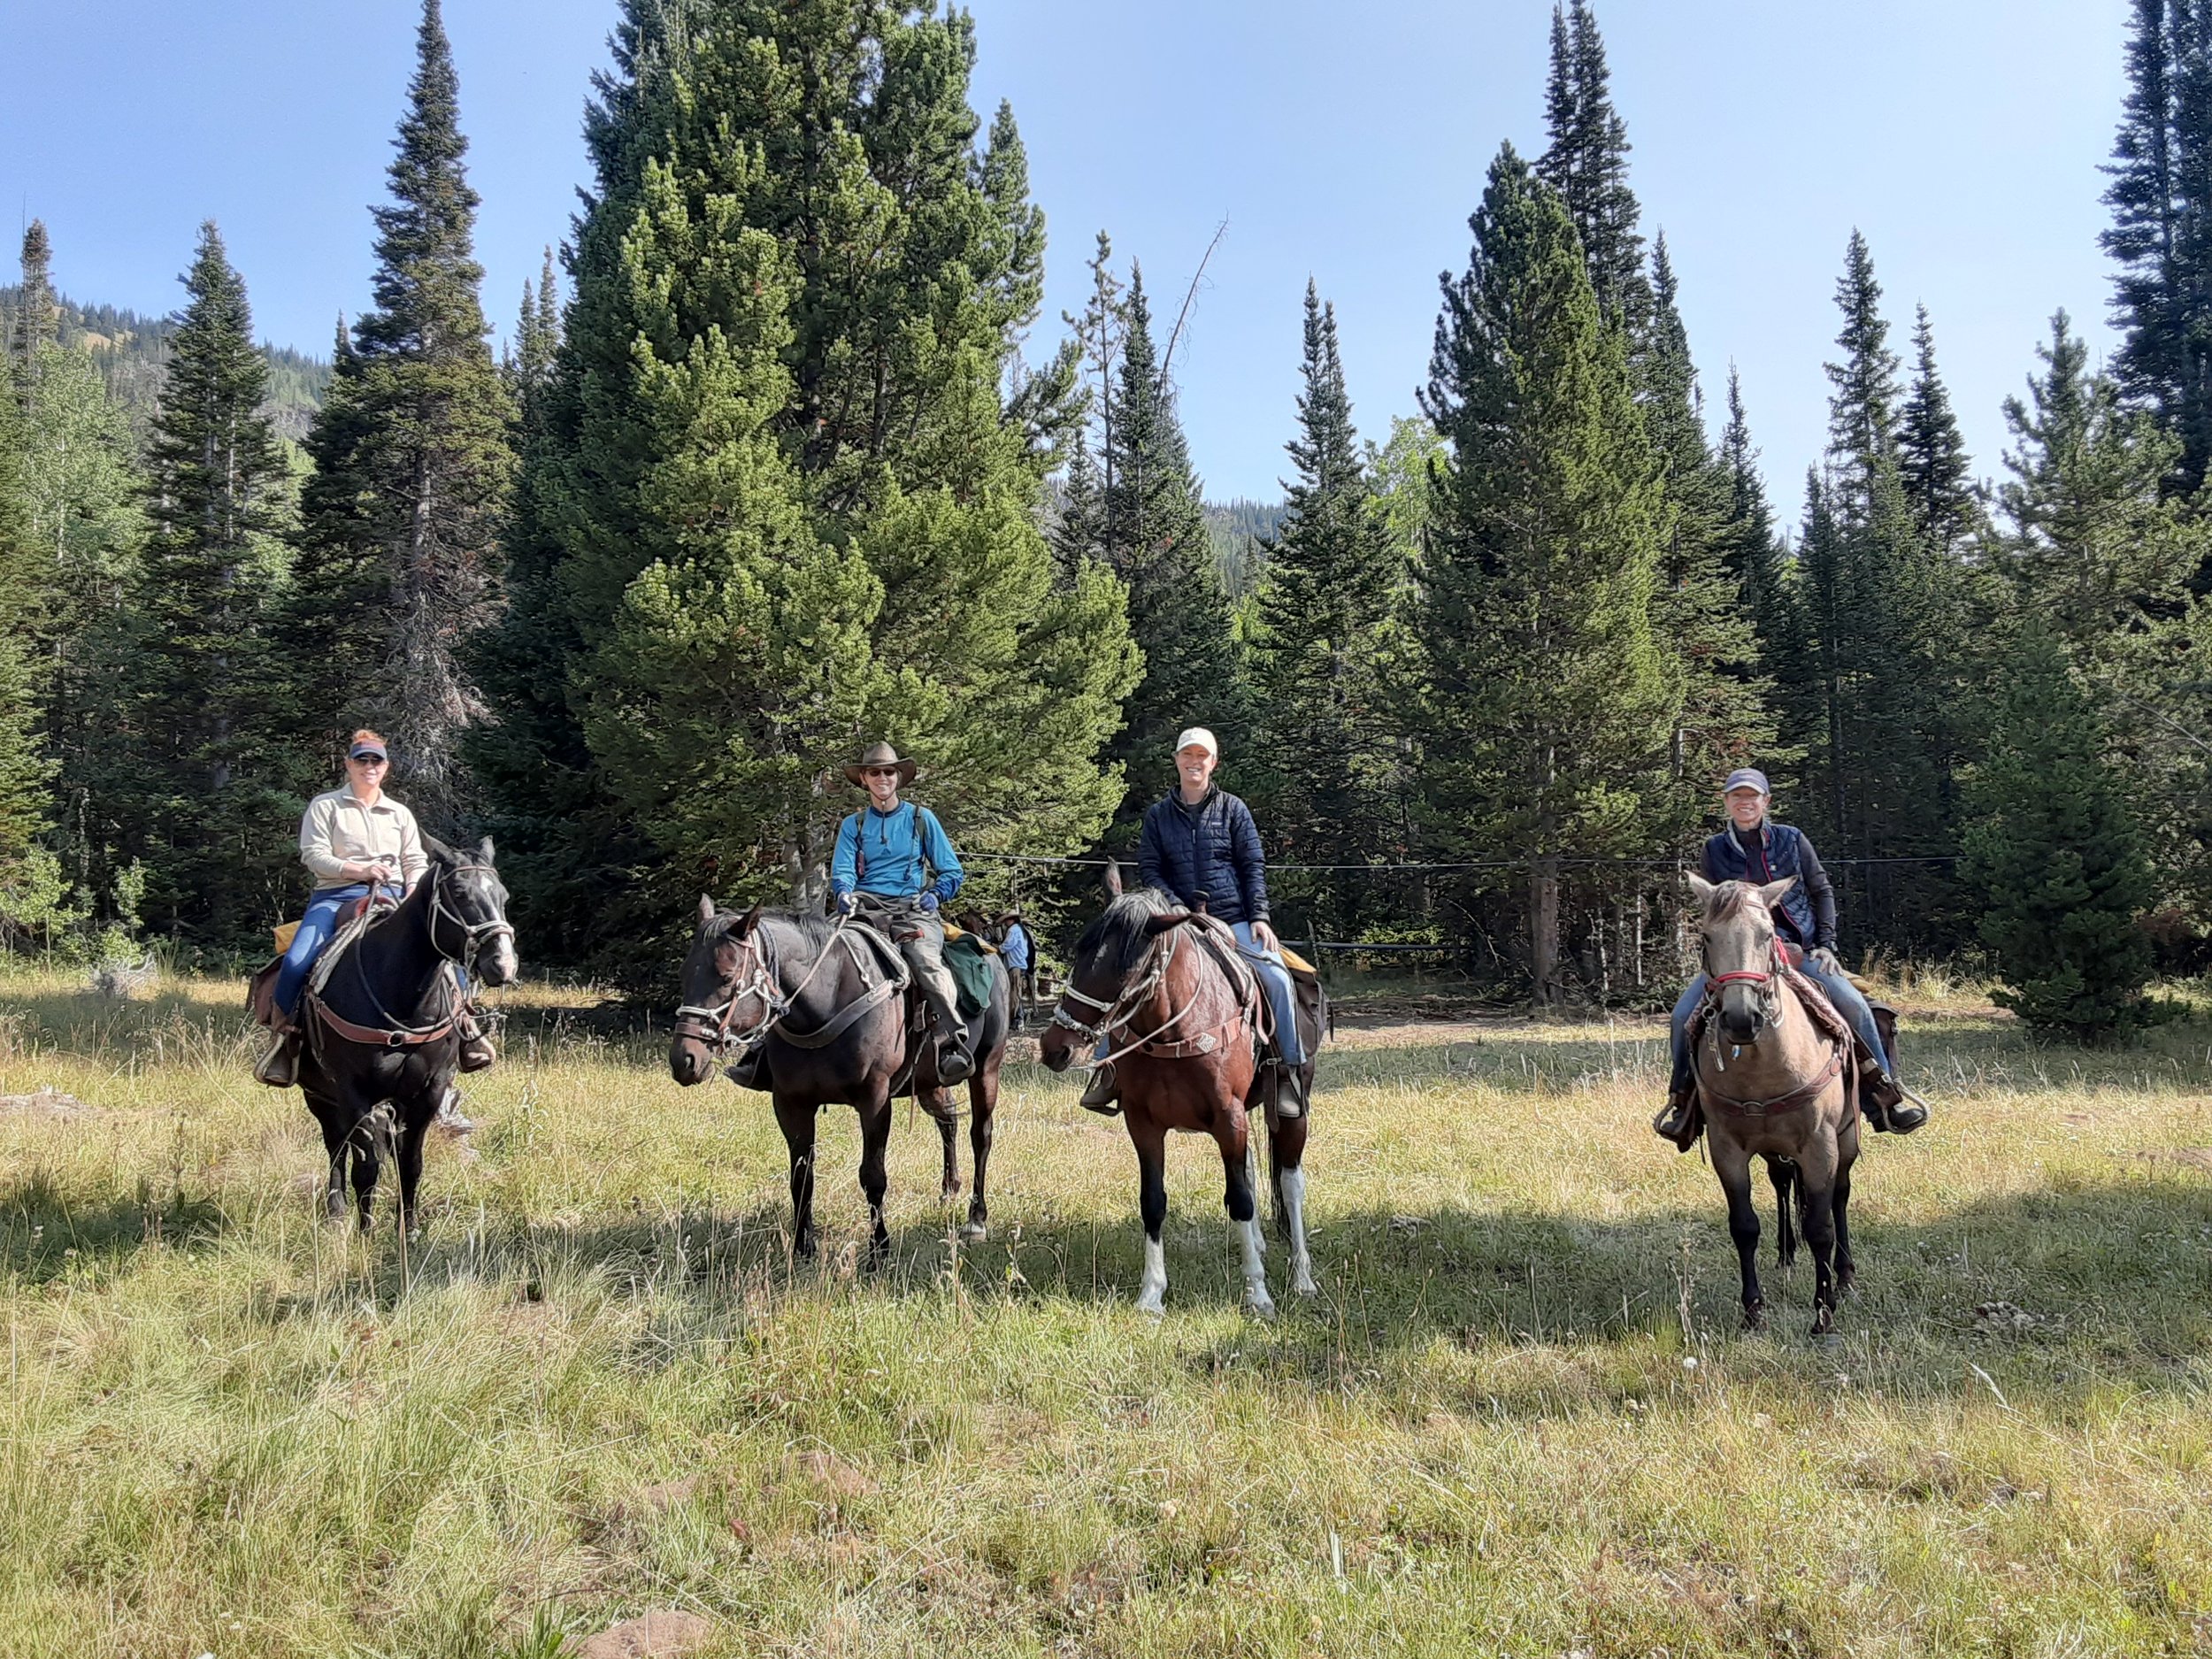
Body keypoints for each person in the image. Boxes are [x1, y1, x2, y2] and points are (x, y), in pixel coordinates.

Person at [1654, 767, 1929, 1148]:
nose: (1745, 803)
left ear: (1766, 802)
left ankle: (1885, 1094)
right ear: (1726, 803)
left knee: (1853, 1004)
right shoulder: (1714, 849)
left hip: (1800, 950)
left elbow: (1821, 891)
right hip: (1739, 957)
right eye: (1737, 797)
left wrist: (1826, 945)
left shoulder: (1792, 840)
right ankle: (1683, 1104)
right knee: (1684, 1016)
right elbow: (1714, 908)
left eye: (1753, 796)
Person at [255, 731, 495, 1113]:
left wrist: (414, 892)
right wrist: (359, 868)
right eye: (362, 760)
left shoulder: (399, 812)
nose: (369, 767)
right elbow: (313, 855)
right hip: (336, 896)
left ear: (386, 768)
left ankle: (466, 1032)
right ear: (349, 764)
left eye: (376, 761)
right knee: (298, 962)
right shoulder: (326, 806)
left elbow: (414, 860)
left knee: (452, 965)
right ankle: (288, 1043)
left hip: (397, 898)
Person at [1081, 726, 1310, 1118]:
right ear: (1176, 761)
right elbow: (1152, 870)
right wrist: (1177, 911)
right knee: (1126, 974)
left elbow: (1251, 865)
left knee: (1277, 978)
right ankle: (1107, 1071)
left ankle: (1287, 1071)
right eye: (1187, 755)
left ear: (1213, 763)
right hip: (1176, 921)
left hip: (1234, 919)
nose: (1194, 762)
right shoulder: (1157, 816)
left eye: (1202, 756)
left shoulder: (1234, 810)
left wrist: (1260, 917)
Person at [830, 742, 975, 1084]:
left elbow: (951, 871)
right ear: (864, 779)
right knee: (817, 952)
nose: (883, 777)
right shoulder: (854, 824)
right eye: (875, 772)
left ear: (899, 777)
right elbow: (843, 870)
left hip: (913, 911)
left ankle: (952, 1041)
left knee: (926, 961)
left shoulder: (921, 819)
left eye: (889, 771)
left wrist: (936, 894)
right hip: (864, 908)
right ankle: (769, 1049)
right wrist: (843, 893)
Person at [996, 910, 1033, 1024]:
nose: (1006, 922)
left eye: (1007, 919)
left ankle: (1016, 1019)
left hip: (1015, 965)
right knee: (1016, 992)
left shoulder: (1013, 930)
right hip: (1019, 964)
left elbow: (1008, 945)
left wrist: (997, 948)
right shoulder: (1020, 930)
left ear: (1012, 920)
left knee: (1014, 994)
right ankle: (1019, 1017)